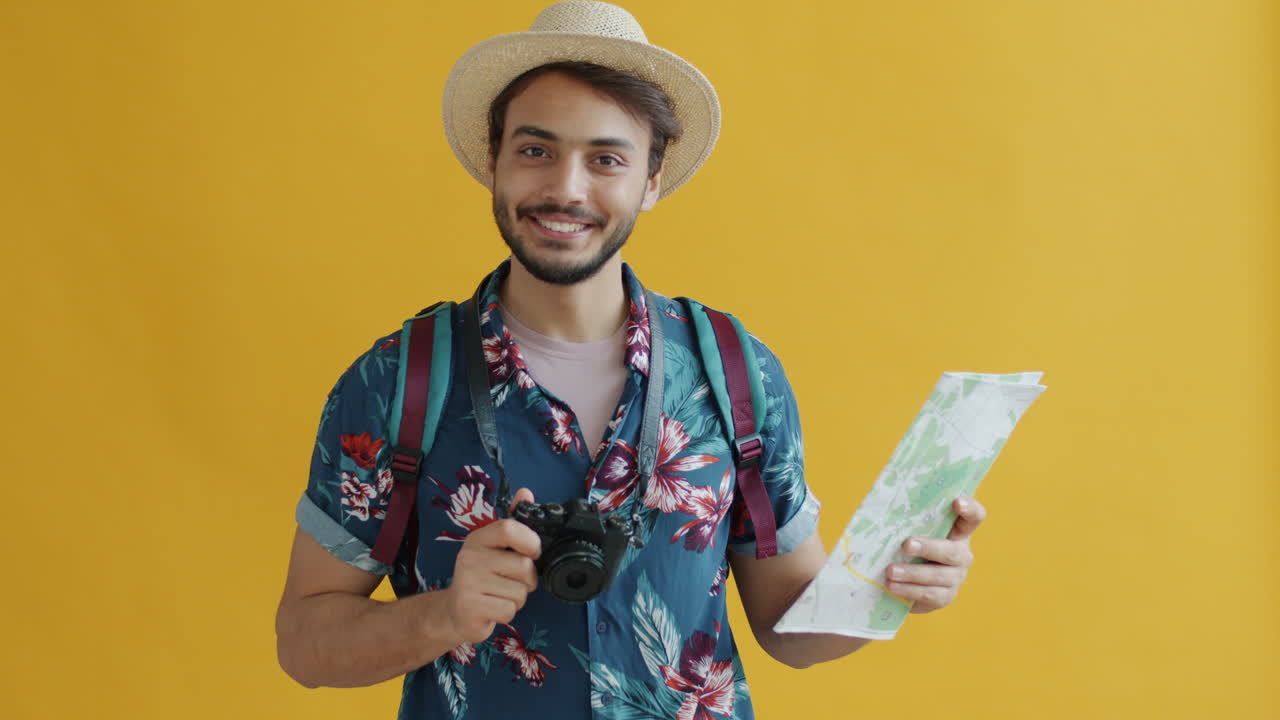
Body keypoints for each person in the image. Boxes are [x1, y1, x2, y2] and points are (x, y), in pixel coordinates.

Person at [274, 2, 986, 718]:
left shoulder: (736, 374)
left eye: (606, 159)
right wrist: (443, 615)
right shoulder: (399, 381)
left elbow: (787, 625)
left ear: (651, 178)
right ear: (493, 162)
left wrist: (894, 586)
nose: (567, 189)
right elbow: (304, 642)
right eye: (535, 150)